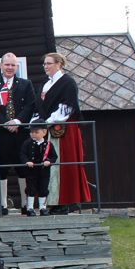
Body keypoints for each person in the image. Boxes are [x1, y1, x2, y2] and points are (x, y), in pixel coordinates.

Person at [34, 52, 92, 214]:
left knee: (63, 162)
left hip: (64, 128)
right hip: (48, 128)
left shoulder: (67, 82)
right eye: (44, 64)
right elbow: (40, 107)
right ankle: (53, 201)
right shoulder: (45, 85)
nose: (45, 66)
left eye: (49, 63)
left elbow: (68, 106)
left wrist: (49, 121)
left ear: (59, 64)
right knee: (51, 164)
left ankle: (66, 201)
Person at [0, 52, 37, 216]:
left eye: (13, 65)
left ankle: (26, 205)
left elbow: (30, 105)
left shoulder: (26, 84)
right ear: (1, 65)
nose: (10, 68)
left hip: (21, 133)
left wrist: (18, 122)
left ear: (17, 66)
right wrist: (5, 123)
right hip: (1, 134)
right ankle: (3, 205)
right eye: (7, 64)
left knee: (23, 169)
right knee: (2, 169)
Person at [21, 120, 59, 216]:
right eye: (31, 132)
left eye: (36, 132)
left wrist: (49, 161)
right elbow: (22, 154)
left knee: (43, 189)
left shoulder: (48, 144)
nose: (33, 134)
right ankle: (30, 208)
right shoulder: (27, 143)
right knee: (31, 188)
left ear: (44, 132)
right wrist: (27, 161)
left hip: (44, 171)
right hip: (31, 170)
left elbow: (54, 156)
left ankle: (43, 208)